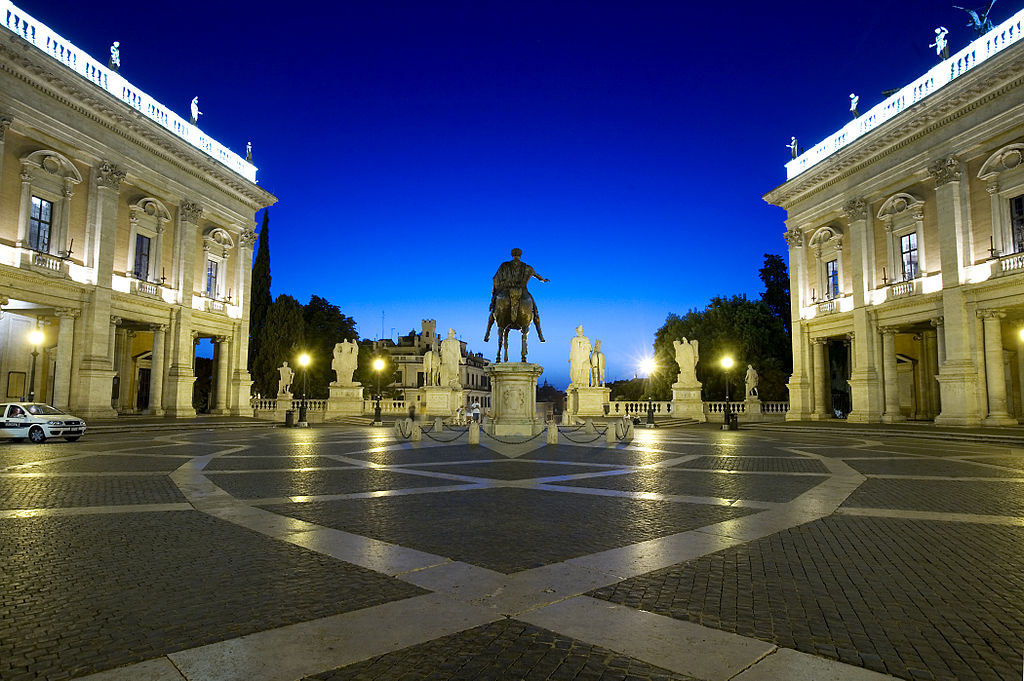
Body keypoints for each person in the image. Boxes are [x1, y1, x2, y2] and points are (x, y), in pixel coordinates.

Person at [484, 248, 549, 342]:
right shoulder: (527, 267)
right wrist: (543, 280)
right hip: (522, 291)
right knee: (535, 312)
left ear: (512, 255)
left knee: (493, 310)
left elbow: (495, 278)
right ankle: (540, 335)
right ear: (520, 255)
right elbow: (537, 276)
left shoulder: (504, 265)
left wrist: (494, 294)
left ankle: (487, 334)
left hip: (506, 289)